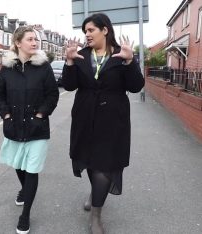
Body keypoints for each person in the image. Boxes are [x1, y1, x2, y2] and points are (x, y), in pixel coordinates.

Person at [62, 13, 144, 234]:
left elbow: (136, 87)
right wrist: (69, 62)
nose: (87, 35)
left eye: (91, 30)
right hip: (85, 117)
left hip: (112, 120)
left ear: (105, 30)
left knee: (105, 165)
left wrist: (130, 61)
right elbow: (69, 86)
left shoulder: (121, 53)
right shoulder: (81, 55)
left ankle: (96, 215)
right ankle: (94, 193)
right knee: (90, 161)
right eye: (85, 32)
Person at [0, 26, 59, 234]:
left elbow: (52, 95)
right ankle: (23, 189)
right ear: (18, 43)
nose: (34, 43)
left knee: (32, 169)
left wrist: (40, 115)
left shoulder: (44, 67)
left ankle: (26, 215)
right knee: (18, 165)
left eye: (36, 39)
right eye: (30, 39)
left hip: (37, 128)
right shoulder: (7, 68)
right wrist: (5, 115)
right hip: (13, 126)